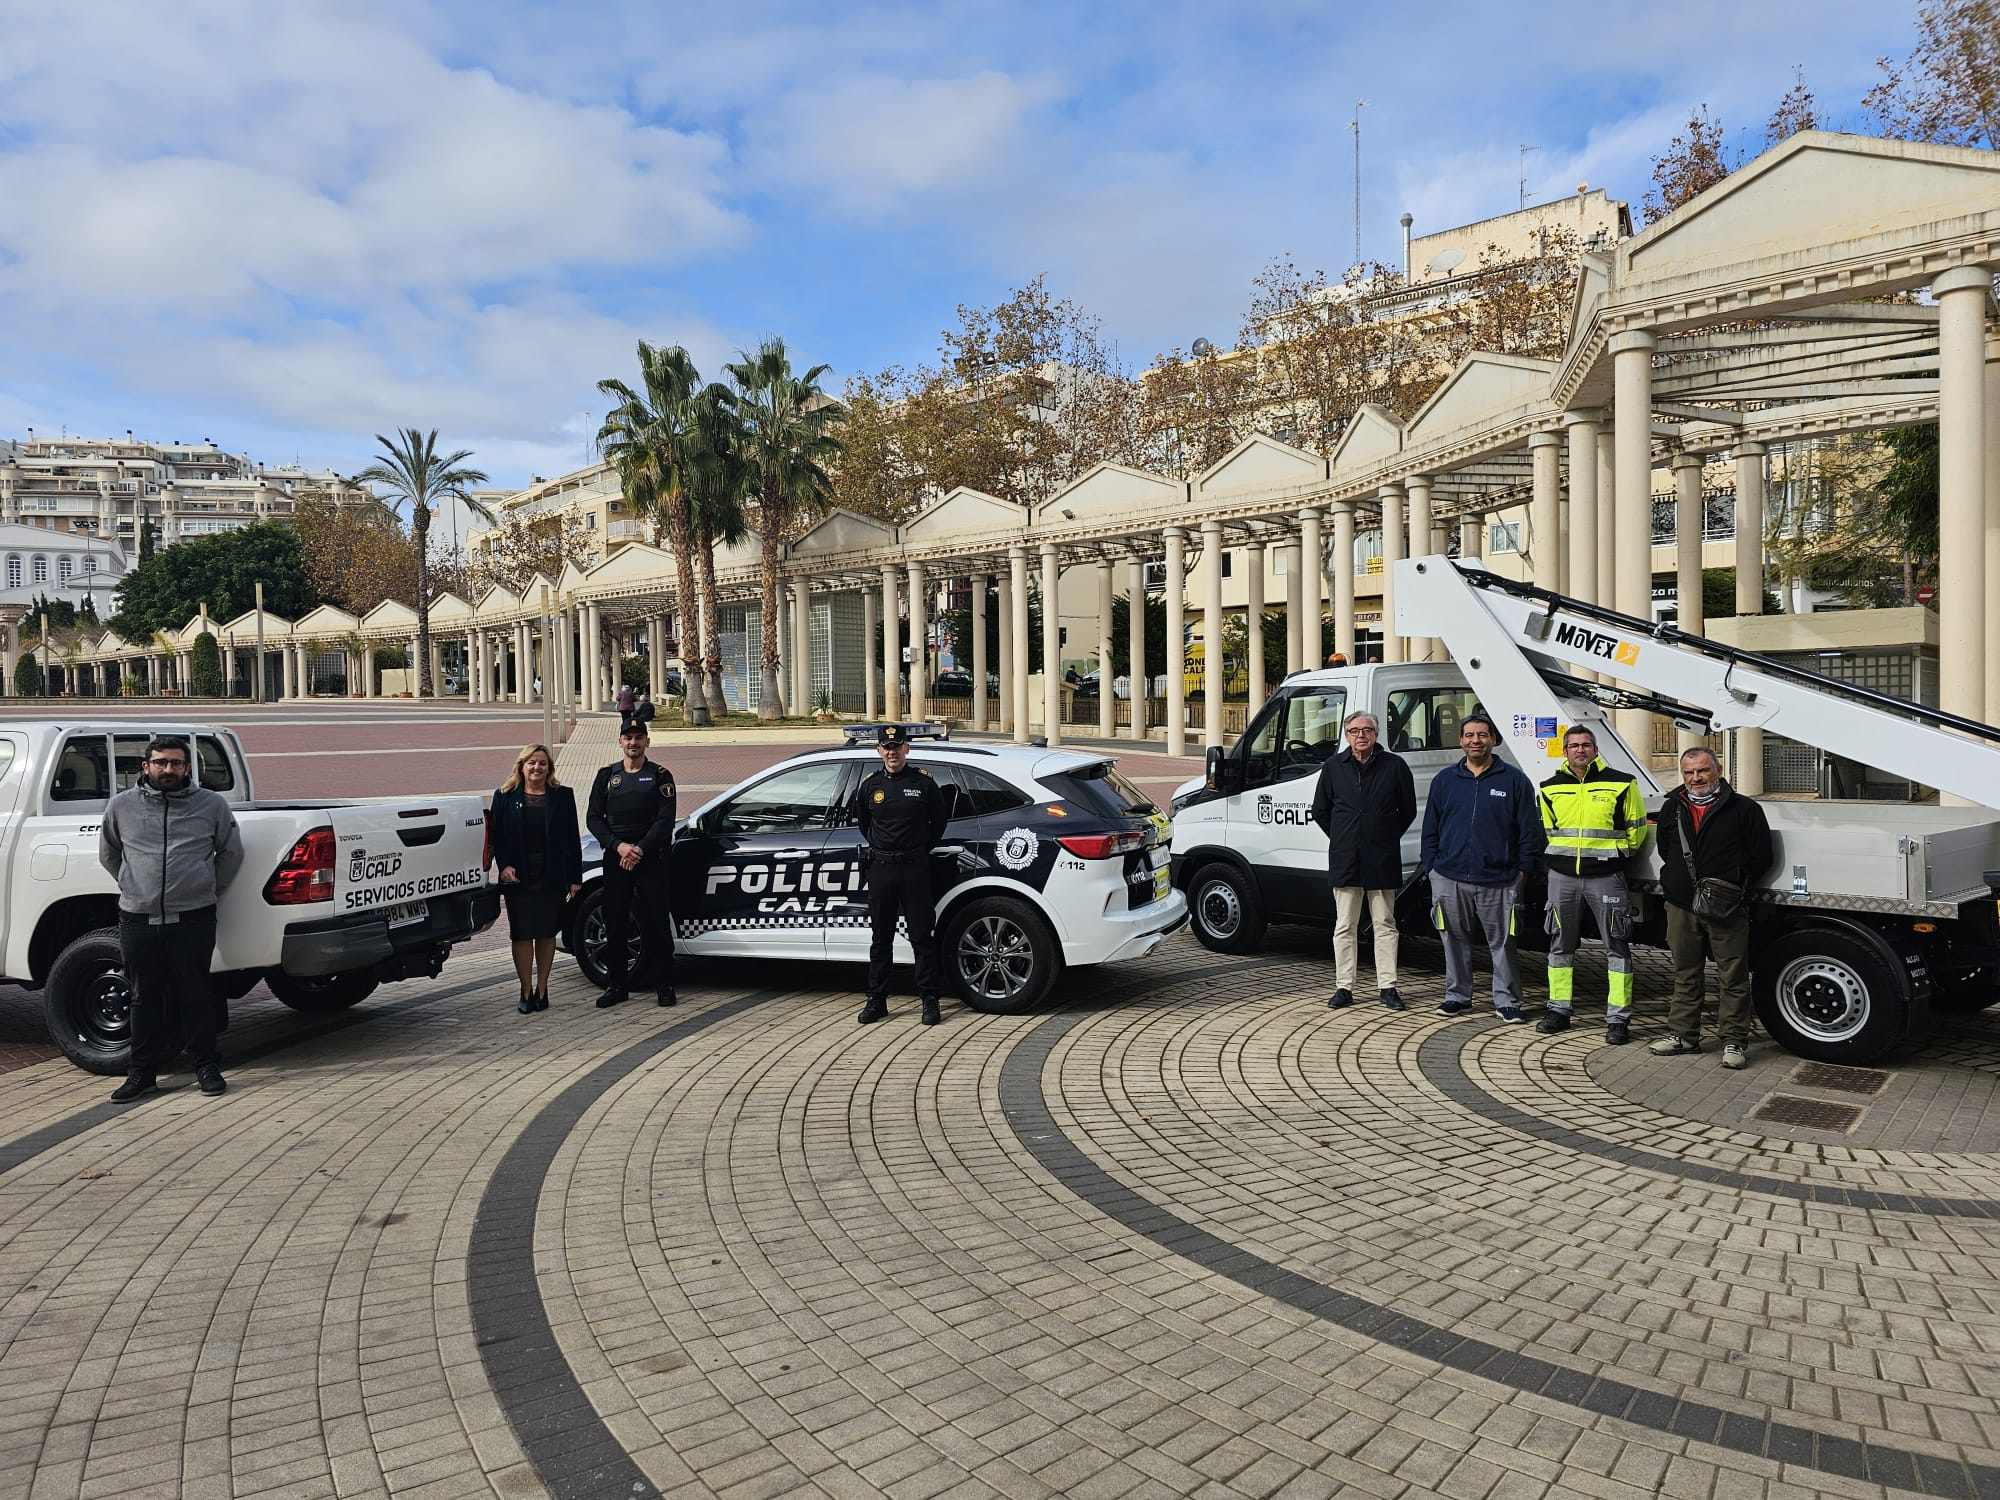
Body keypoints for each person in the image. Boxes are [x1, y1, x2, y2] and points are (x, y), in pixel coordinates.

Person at [98, 735, 245, 1101]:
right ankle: (142, 1073)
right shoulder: (121, 806)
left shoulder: (210, 805)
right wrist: (135, 887)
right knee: (142, 997)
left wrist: (205, 888)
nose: (168, 769)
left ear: (187, 768)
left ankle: (206, 1066)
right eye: (161, 762)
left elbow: (230, 852)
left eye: (176, 763)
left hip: (193, 917)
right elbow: (110, 853)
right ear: (146, 766)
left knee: (196, 994)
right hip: (138, 919)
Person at [1650, 746, 1774, 1068]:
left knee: (1732, 975)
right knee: (1685, 973)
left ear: (1717, 771)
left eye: (1702, 771)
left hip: (1727, 906)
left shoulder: (1745, 809)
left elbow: (1761, 857)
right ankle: (1683, 1035)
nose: (1696, 778)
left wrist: (1736, 888)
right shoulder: (1672, 808)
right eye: (1689, 772)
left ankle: (1733, 1041)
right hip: (1681, 904)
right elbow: (1666, 850)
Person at [1420, 712, 1544, 1023]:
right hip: (1449, 878)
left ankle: (1508, 1001)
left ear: (1493, 740)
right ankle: (1458, 996)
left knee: (1502, 944)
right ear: (1461, 741)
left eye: (1482, 735)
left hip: (1501, 880)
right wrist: (1431, 867)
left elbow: (1529, 830)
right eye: (1470, 735)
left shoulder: (1514, 780)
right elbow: (1430, 827)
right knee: (1453, 940)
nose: (1476, 740)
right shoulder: (1445, 780)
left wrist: (1523, 871)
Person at [1536, 726, 1648, 1045]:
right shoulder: (1549, 787)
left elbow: (1636, 828)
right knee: (1559, 945)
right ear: (1565, 751)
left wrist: (1617, 856)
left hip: (1605, 876)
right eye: (1573, 746)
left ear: (1595, 749)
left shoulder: (1622, 782)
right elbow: (1545, 829)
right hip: (1562, 878)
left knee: (1617, 945)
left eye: (1586, 745)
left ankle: (1618, 1018)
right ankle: (1558, 1010)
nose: (1580, 750)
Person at [1311, 710, 1417, 1011]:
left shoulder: (1394, 766)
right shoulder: (1333, 767)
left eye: (1367, 730)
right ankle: (1344, 987)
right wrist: (1344, 835)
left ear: (1376, 734)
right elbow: (1320, 810)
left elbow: (1406, 809)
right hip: (1346, 859)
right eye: (1355, 730)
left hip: (1382, 858)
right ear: (1346, 736)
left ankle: (1388, 987)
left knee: (1385, 923)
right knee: (1345, 925)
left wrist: (1382, 835)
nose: (1361, 735)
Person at [856, 723, 949, 1025]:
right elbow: (864, 824)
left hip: (914, 868)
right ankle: (877, 1000)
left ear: (907, 748)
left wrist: (917, 849)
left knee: (921, 937)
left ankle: (930, 1000)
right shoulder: (870, 785)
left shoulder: (923, 783)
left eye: (897, 746)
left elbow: (939, 822)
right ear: (879, 750)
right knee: (880, 937)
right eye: (887, 747)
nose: (892, 752)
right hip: (882, 868)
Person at [585, 720, 678, 1009]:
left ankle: (665, 984)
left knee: (657, 921)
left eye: (639, 737)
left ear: (647, 742)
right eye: (628, 738)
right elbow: (593, 819)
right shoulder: (606, 777)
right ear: (620, 742)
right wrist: (619, 847)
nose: (633, 742)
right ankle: (616, 984)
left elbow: (665, 820)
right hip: (616, 860)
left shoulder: (660, 776)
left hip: (650, 860)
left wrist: (638, 848)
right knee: (614, 921)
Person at [491, 743, 583, 1015]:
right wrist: (504, 865)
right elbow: (497, 838)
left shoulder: (562, 796)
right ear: (521, 766)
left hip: (551, 874)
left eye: (542, 763)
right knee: (521, 934)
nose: (537, 767)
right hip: (518, 877)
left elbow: (571, 839)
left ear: (549, 768)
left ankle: (542, 990)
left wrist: (574, 878)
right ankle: (525, 990)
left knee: (545, 932)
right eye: (531, 762)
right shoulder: (504, 796)